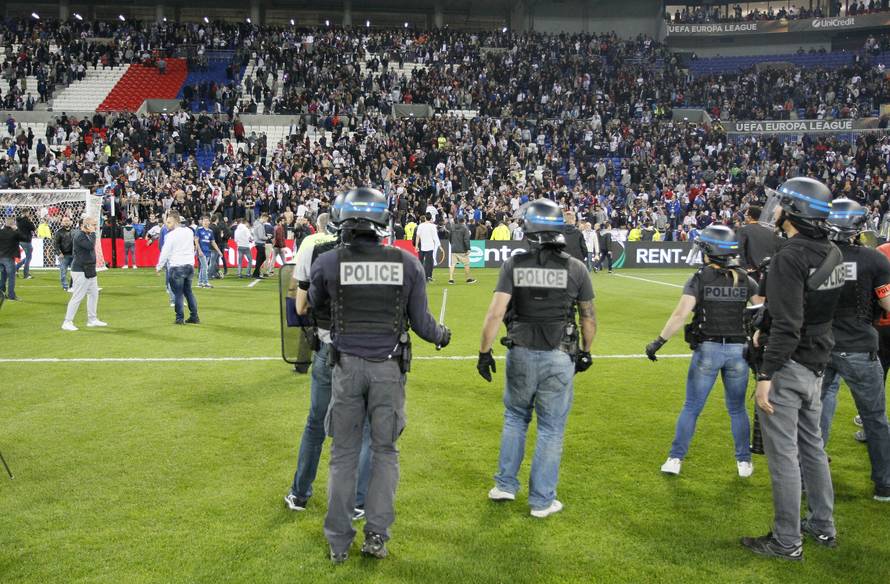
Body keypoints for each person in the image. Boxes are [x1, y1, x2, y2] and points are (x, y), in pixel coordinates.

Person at [309, 187, 450, 564]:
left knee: (343, 454)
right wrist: (443, 335)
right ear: (383, 221)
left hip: (346, 368)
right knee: (385, 452)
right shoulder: (407, 264)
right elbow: (422, 324)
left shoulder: (328, 262)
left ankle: (338, 542)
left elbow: (315, 308)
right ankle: (376, 536)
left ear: (343, 220)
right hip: (388, 369)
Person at [742, 177, 845, 560]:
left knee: (784, 455)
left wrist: (766, 375)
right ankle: (822, 525)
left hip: (789, 363)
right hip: (816, 359)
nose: (776, 210)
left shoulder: (790, 256)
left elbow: (788, 325)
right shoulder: (831, 249)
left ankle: (787, 542)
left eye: (782, 204)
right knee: (812, 447)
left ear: (794, 211)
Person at [477, 198, 596, 518]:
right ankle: (542, 501)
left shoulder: (514, 265)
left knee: (515, 418)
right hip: (560, 355)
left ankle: (505, 485)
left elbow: (495, 313)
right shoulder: (576, 268)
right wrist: (586, 351)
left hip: (520, 352)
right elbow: (588, 317)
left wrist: (484, 352)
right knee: (551, 429)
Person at [645, 225, 760, 478]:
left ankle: (675, 459)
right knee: (737, 409)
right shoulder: (746, 279)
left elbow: (680, 315)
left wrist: (659, 341)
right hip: (739, 352)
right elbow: (763, 310)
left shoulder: (699, 278)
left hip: (708, 350)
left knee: (691, 407)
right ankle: (744, 462)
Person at [285, 205, 373, 520]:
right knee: (364, 428)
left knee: (315, 423)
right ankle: (358, 502)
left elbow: (301, 305)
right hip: (366, 353)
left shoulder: (317, 250)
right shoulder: (385, 258)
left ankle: (300, 493)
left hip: (329, 347)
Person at [818, 198, 890, 502]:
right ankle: (884, 484)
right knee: (874, 418)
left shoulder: (814, 255)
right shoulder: (874, 259)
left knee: (816, 413)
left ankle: (811, 476)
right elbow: (887, 303)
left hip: (819, 346)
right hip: (860, 345)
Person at [61, 216, 106, 331]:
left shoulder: (86, 234)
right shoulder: (79, 235)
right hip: (80, 270)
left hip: (89, 269)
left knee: (94, 294)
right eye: (93, 225)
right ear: (86, 225)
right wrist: (93, 233)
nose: (95, 227)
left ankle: (92, 319)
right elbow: (90, 246)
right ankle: (67, 322)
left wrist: (92, 233)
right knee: (78, 296)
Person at [156, 211, 199, 325]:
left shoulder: (170, 235)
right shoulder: (189, 231)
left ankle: (180, 318)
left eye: (169, 222)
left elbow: (165, 252)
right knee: (188, 292)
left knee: (178, 294)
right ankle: (194, 316)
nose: (167, 224)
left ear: (175, 222)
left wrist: (159, 266)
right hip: (189, 266)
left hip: (176, 266)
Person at [738, 205, 779, 281]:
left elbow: (740, 250)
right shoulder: (769, 232)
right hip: (767, 272)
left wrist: (744, 268)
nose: (744, 217)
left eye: (745, 215)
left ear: (749, 217)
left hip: (750, 273)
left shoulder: (743, 230)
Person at [0, 216, 26, 302]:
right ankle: (11, 295)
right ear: (13, 224)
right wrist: (17, 229)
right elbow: (24, 238)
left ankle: (1, 293)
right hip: (9, 258)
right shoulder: (14, 233)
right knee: (11, 276)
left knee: (3, 276)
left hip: (0, 257)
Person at [447, 217, 476, 285]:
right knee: (466, 264)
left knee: (453, 264)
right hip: (462, 249)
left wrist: (452, 244)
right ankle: (468, 279)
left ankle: (451, 279)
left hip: (454, 249)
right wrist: (468, 248)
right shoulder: (465, 228)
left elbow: (449, 237)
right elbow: (466, 239)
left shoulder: (452, 227)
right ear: (464, 221)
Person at [194, 216, 220, 289]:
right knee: (205, 267)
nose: (205, 222)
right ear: (202, 222)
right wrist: (199, 250)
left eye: (207, 221)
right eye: (204, 221)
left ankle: (200, 283)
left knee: (203, 267)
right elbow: (196, 240)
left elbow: (213, 242)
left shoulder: (210, 231)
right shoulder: (199, 229)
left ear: (209, 222)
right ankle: (205, 282)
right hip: (201, 251)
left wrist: (218, 251)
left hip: (207, 251)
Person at [414, 212, 439, 282]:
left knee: (420, 262)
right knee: (429, 262)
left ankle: (420, 276)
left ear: (425, 218)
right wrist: (439, 245)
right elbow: (435, 237)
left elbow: (417, 236)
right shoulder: (433, 226)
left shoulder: (420, 226)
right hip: (430, 246)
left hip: (422, 246)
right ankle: (428, 276)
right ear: (431, 218)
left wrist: (416, 246)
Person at [53, 216, 75, 291]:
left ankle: (72, 286)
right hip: (64, 255)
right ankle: (65, 286)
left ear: (70, 222)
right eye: (65, 221)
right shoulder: (59, 232)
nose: (66, 222)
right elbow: (55, 244)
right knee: (63, 272)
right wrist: (59, 253)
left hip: (74, 254)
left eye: (67, 221)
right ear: (62, 222)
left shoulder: (74, 231)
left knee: (75, 272)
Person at [15, 213, 35, 279]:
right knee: (29, 257)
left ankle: (16, 268)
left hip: (20, 240)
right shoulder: (27, 221)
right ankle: (26, 274)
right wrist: (30, 221)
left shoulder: (19, 221)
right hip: (26, 241)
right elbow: (33, 228)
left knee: (28, 256)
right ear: (26, 213)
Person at [251, 213, 269, 280]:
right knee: (261, 258)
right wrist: (267, 238)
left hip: (258, 243)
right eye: (266, 219)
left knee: (260, 258)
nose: (266, 221)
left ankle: (256, 272)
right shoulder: (260, 225)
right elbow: (261, 236)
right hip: (260, 243)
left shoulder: (257, 224)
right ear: (263, 217)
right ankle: (256, 273)